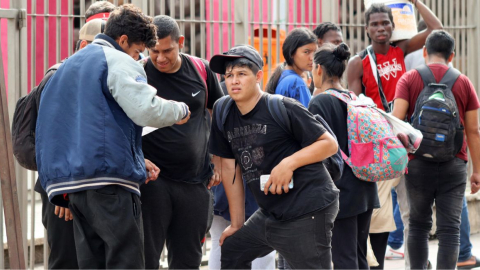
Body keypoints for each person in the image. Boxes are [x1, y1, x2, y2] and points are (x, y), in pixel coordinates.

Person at [36, 4, 190, 269]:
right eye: (137, 52)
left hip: (72, 186)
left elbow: (49, 127)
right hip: (109, 181)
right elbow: (145, 108)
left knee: (91, 263)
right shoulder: (115, 60)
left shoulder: (63, 68)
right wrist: (180, 110)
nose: (139, 59)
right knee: (125, 261)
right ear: (122, 41)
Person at [208, 44, 339, 269]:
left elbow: (329, 144)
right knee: (232, 250)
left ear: (259, 76)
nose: (234, 81)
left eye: (241, 74)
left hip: (308, 208)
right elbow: (230, 169)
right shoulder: (223, 111)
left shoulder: (281, 107)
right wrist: (237, 223)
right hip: (271, 212)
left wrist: (288, 163)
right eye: (229, 75)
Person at [139, 15, 224, 269]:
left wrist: (217, 161)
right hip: (152, 182)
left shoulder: (201, 69)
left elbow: (217, 113)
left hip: (195, 182)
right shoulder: (138, 73)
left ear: (181, 43)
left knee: (188, 259)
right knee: (146, 258)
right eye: (154, 51)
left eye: (168, 50)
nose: (161, 58)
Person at [392, 30, 480, 269]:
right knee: (450, 229)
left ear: (424, 52)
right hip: (454, 164)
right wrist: (476, 172)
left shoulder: (408, 79)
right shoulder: (463, 82)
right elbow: (473, 131)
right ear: (452, 56)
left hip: (418, 163)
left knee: (419, 225)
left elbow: (396, 121)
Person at [32, 18, 107, 270]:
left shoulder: (100, 78)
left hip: (91, 189)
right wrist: (66, 193)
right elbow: (55, 138)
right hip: (64, 189)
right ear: (84, 45)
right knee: (67, 261)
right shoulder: (60, 77)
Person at [308, 42, 380, 270]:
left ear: (318, 69)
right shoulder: (353, 97)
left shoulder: (320, 101)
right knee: (359, 254)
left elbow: (315, 148)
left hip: (341, 191)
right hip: (365, 186)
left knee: (344, 257)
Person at [347, 0, 442, 111]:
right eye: (374, 24)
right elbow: (356, 108)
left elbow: (436, 28)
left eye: (385, 23)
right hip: (376, 125)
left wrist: (415, 2)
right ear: (367, 29)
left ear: (392, 26)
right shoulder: (357, 63)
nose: (381, 28)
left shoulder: (401, 49)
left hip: (401, 122)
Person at [264, 28, 317, 107]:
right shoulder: (297, 83)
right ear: (291, 53)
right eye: (306, 52)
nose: (312, 58)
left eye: (315, 52)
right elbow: (307, 118)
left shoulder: (282, 75)